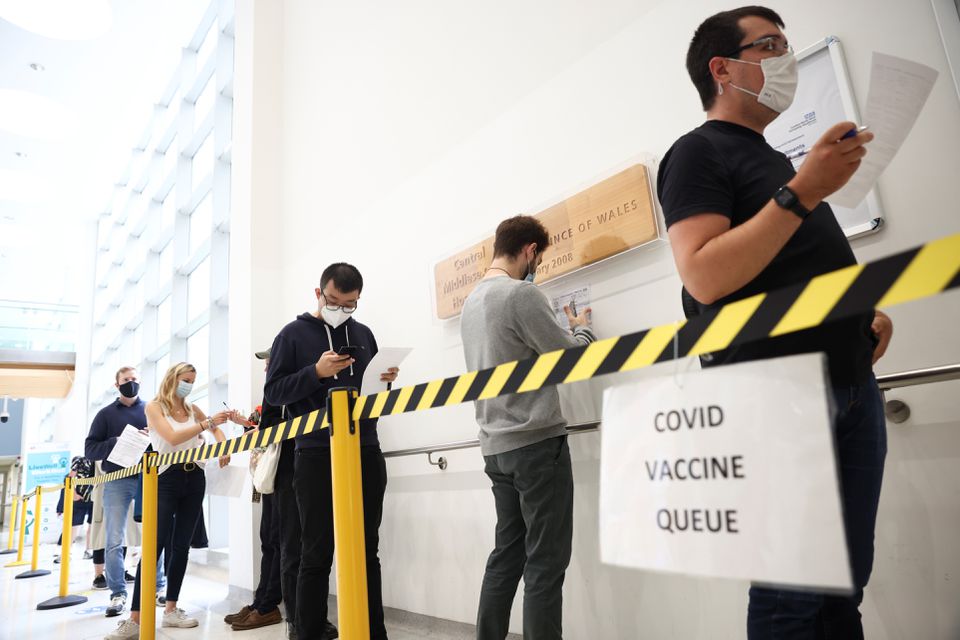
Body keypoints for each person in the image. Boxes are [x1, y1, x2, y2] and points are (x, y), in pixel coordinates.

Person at [657, 7, 892, 638]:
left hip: (848, 383)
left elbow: (785, 268)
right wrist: (802, 193)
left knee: (844, 586)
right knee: (792, 594)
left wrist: (860, 317)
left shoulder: (773, 159)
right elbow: (703, 274)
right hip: (776, 396)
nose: (786, 60)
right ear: (722, 68)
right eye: (771, 46)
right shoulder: (696, 153)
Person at [460, 215, 596, 640]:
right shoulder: (520, 294)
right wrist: (582, 330)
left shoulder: (471, 303)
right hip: (535, 444)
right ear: (530, 250)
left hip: (495, 447)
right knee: (546, 561)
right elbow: (567, 358)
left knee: (507, 554)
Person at [265, 263, 399, 640]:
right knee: (316, 552)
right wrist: (316, 373)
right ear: (318, 294)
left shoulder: (364, 334)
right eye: (334, 301)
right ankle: (307, 633)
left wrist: (382, 382)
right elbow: (274, 394)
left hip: (366, 450)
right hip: (316, 454)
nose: (341, 308)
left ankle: (374, 633)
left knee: (367, 551)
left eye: (350, 303)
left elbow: (371, 398)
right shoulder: (291, 335)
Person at [106, 362, 246, 640]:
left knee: (181, 546)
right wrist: (207, 425)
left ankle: (171, 609)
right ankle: (135, 618)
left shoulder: (193, 409)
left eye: (192, 381)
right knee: (154, 546)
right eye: (185, 379)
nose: (189, 385)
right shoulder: (154, 408)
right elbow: (171, 437)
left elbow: (216, 431)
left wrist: (221, 446)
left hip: (195, 478)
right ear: (172, 378)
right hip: (166, 479)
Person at [85, 367, 164, 617]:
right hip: (117, 481)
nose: (131, 383)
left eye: (134, 380)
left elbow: (165, 440)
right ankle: (117, 593)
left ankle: (156, 587)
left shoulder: (150, 409)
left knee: (154, 535)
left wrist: (151, 437)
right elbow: (90, 450)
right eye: (126, 380)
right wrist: (115, 441)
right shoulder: (105, 414)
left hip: (148, 478)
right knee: (114, 540)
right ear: (116, 384)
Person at [224, 348, 286, 633]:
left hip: (284, 471)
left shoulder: (286, 389)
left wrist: (256, 430)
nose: (266, 368)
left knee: (275, 539)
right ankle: (262, 600)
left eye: (270, 362)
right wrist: (249, 427)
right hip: (267, 474)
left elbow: (278, 427)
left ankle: (268, 605)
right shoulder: (271, 393)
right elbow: (263, 425)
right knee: (267, 539)